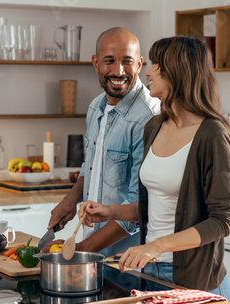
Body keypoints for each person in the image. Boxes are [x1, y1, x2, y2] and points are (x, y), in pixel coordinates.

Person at [78, 36, 230, 300]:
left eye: (157, 65)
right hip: (147, 275)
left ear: (179, 72)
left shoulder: (212, 134)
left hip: (193, 282)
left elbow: (223, 219)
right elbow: (151, 205)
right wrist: (109, 211)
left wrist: (158, 245)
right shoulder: (154, 127)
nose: (149, 71)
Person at [44, 27, 160, 256]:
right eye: (109, 61)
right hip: (94, 249)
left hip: (126, 261)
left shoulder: (149, 118)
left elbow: (140, 208)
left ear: (139, 64)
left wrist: (81, 250)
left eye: (127, 61)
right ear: (96, 63)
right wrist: (72, 198)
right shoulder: (96, 106)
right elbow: (92, 166)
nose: (118, 71)